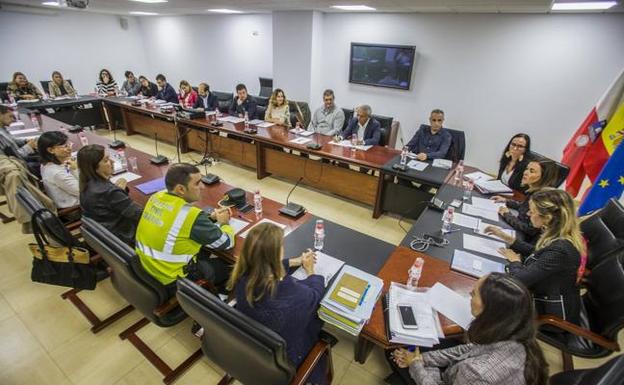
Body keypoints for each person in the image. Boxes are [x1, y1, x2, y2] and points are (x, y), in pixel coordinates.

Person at [387, 273, 548, 385]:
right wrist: (423, 358)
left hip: (454, 378)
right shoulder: (514, 331)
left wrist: (416, 364)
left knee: (392, 351)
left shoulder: (479, 373)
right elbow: (469, 349)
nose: (470, 293)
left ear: (491, 309)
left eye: (475, 293)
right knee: (420, 344)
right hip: (458, 373)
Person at [227, 222, 328, 384]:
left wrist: (295, 261)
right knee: (317, 318)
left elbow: (263, 266)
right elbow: (314, 295)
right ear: (277, 253)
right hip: (288, 356)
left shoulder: (242, 276)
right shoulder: (290, 294)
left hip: (255, 344)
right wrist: (310, 271)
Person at [493, 188, 585, 326]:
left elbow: (518, 280)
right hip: (544, 292)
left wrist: (516, 262)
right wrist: (508, 239)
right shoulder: (558, 234)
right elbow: (538, 253)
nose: (528, 214)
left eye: (532, 211)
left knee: (492, 295)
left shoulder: (561, 251)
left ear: (547, 218)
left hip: (551, 313)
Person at [136, 163, 235, 286]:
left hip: (149, 267)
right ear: (181, 189)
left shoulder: (156, 197)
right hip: (173, 278)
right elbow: (226, 243)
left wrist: (209, 218)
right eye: (197, 183)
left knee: (205, 251)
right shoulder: (190, 215)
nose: (203, 187)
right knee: (234, 266)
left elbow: (175, 222)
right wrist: (224, 223)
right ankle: (221, 296)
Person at [78, 144, 142, 245]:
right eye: (106, 160)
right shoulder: (109, 192)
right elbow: (140, 215)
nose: (112, 161)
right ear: (94, 167)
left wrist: (119, 191)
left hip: (109, 235)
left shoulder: (86, 183)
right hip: (127, 236)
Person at [492, 159, 559, 244]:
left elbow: (530, 230)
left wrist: (507, 215)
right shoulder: (534, 191)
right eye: (527, 169)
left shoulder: (541, 199)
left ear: (544, 177)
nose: (525, 172)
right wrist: (506, 201)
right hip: (518, 226)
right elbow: (524, 206)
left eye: (532, 171)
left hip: (525, 239)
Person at [38, 131, 79, 209]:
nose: (69, 148)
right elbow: (83, 191)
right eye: (65, 146)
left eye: (69, 144)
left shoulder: (45, 164)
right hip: (76, 208)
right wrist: (76, 169)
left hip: (71, 199)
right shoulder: (56, 173)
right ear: (50, 150)